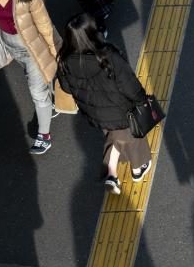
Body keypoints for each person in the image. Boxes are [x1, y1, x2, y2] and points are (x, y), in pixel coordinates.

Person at [56, 13, 150, 194]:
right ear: (92, 33)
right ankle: (138, 168)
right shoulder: (108, 56)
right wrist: (142, 100)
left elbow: (67, 88)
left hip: (94, 112)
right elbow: (129, 84)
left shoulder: (64, 60)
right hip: (121, 109)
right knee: (133, 137)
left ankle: (112, 174)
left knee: (115, 136)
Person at [0, 0, 73, 156]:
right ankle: (50, 102)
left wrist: (55, 53)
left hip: (32, 50)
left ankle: (44, 136)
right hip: (9, 47)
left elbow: (45, 25)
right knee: (41, 85)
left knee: (37, 93)